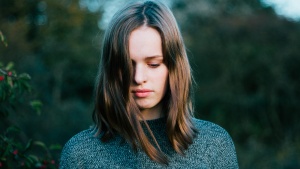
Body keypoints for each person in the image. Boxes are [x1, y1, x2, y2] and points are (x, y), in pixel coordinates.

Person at [60, 0, 239, 168]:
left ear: (174, 67)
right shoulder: (79, 154)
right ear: (112, 70)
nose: (138, 78)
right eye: (126, 66)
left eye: (153, 64)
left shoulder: (214, 145)